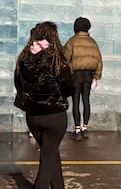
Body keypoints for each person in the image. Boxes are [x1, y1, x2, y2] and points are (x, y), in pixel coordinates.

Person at [15, 21, 74, 189]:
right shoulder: (56, 60)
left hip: (33, 116)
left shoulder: (24, 59)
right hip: (54, 116)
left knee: (51, 155)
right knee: (48, 159)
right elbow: (69, 87)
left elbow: (18, 85)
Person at [63, 17, 103, 141]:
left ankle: (77, 130)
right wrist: (96, 76)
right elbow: (99, 61)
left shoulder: (72, 41)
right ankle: (85, 128)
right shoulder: (93, 42)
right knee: (86, 100)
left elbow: (65, 60)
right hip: (88, 75)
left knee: (75, 102)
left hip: (76, 75)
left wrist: (67, 74)